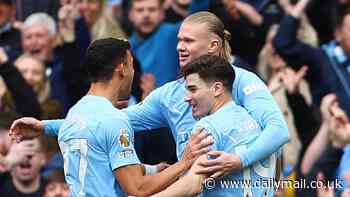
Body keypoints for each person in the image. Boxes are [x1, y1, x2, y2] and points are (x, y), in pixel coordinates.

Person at [10, 11, 289, 179]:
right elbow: (113, 120)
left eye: (188, 41)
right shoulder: (169, 95)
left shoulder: (242, 81)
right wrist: (45, 127)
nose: (180, 46)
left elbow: (278, 130)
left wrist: (238, 160)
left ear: (214, 45)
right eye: (178, 39)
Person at [12, 38, 212, 197]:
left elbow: (100, 164)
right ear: (122, 68)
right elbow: (138, 189)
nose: (133, 72)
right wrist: (185, 162)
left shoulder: (75, 113)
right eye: (132, 65)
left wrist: (152, 170)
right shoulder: (114, 119)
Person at [181, 55, 276, 196]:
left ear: (217, 89)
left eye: (193, 89)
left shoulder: (207, 127)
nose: (186, 97)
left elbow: (192, 187)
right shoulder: (261, 124)